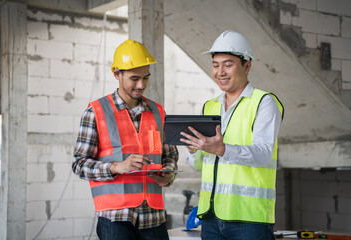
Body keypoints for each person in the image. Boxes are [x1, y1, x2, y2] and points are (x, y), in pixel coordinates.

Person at [180, 30, 284, 240]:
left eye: (228, 64)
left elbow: (264, 153)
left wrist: (223, 149)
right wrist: (194, 149)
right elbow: (199, 165)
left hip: (249, 219)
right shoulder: (209, 106)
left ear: (247, 66)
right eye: (216, 65)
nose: (221, 72)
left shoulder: (264, 102)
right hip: (210, 218)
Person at [72, 39, 178, 240]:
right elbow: (79, 164)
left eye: (146, 77)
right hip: (115, 218)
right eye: (134, 78)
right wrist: (116, 167)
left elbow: (170, 154)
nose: (141, 85)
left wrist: (168, 175)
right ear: (117, 74)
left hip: (154, 218)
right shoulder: (96, 112)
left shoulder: (158, 112)